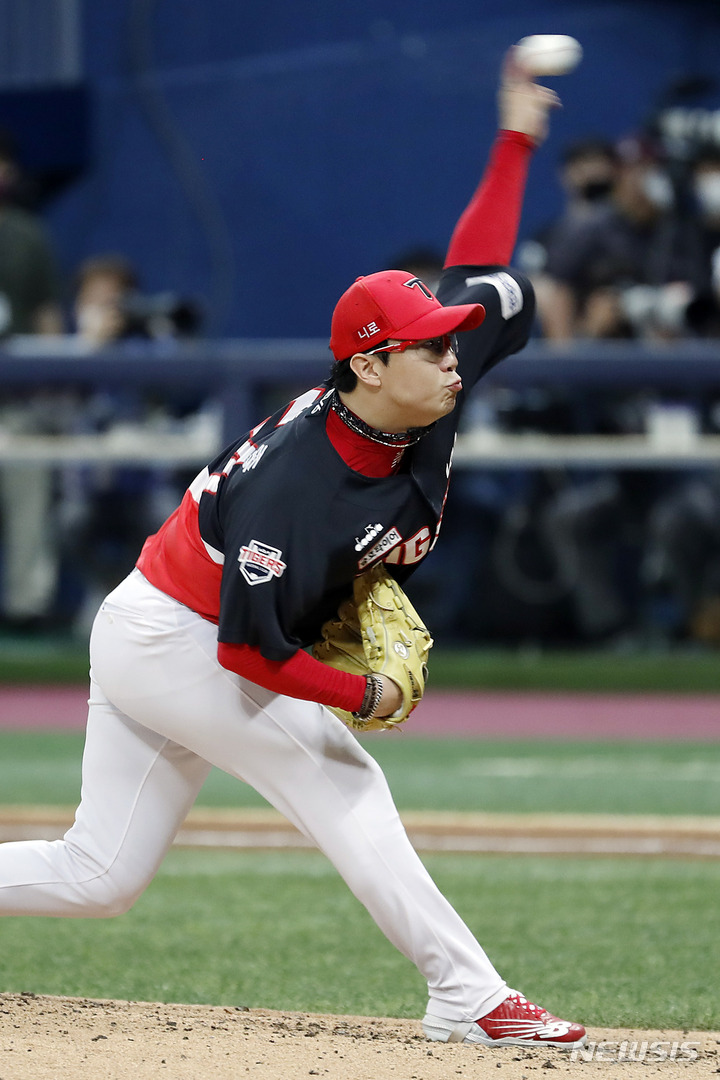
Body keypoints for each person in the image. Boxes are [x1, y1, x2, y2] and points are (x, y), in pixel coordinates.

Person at [0, 51, 587, 1050]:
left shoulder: (421, 379)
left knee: (99, 876)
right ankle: (468, 993)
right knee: (339, 771)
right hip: (179, 637)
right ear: (369, 361)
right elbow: (247, 655)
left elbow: (474, 267)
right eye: (435, 345)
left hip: (163, 618)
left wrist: (515, 136)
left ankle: (465, 993)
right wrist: (367, 697)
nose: (459, 357)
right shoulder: (297, 490)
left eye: (456, 342)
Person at [0, 128, 65, 630]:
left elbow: (46, 316)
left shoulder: (26, 234)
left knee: (28, 508)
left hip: (18, 400)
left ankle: (26, 611)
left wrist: (56, 384)